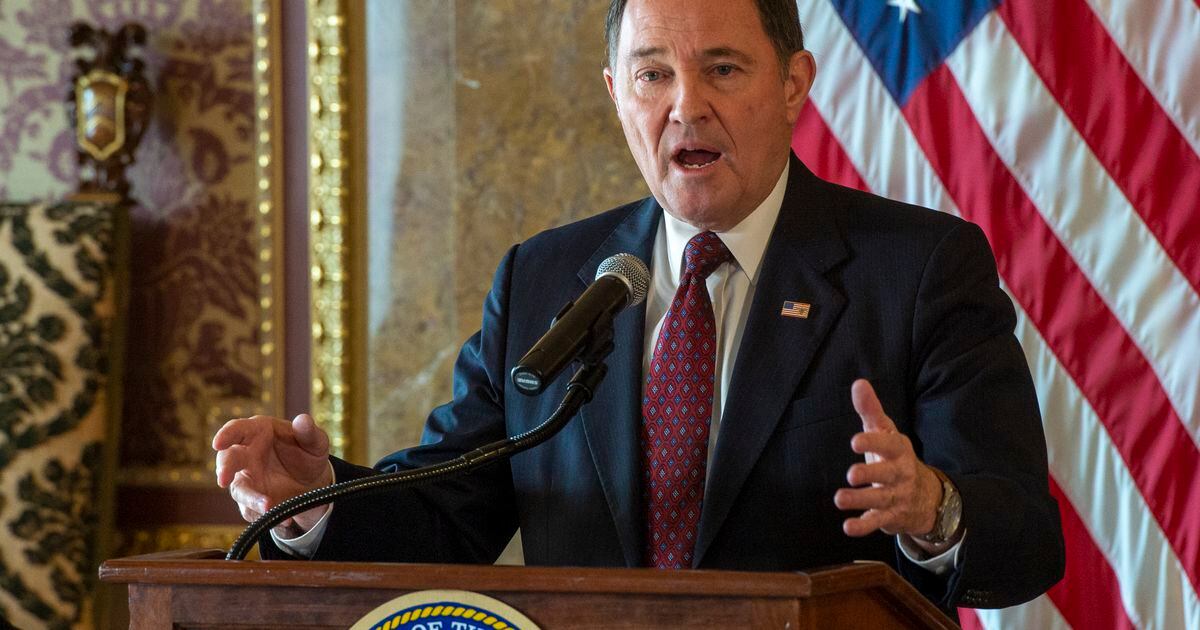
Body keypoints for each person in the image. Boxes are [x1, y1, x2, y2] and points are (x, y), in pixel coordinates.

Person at [214, 0, 1064, 612]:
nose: (686, 106)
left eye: (723, 69)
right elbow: (448, 513)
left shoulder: (916, 269)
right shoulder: (545, 279)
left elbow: (1028, 540)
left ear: (793, 83)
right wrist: (316, 499)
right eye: (653, 74)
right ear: (617, 92)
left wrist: (933, 509)